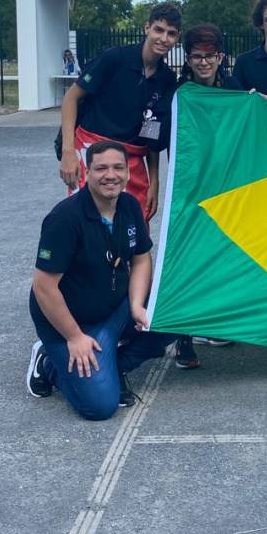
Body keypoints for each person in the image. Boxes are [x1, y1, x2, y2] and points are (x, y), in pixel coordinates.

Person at [27, 141, 176, 419]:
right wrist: (73, 336)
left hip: (113, 308)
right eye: (102, 168)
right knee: (98, 407)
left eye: (118, 167)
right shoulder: (65, 219)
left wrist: (135, 305)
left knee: (178, 306)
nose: (111, 175)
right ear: (87, 173)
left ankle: (114, 363)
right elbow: (43, 287)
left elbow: (142, 257)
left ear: (128, 174)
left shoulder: (130, 205)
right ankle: (48, 363)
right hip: (70, 322)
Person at [59, 3, 181, 221]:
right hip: (92, 148)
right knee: (88, 222)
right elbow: (71, 98)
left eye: (171, 34)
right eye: (159, 30)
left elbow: (152, 132)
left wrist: (155, 182)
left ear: (177, 38)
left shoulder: (167, 79)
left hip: (132, 157)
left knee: (133, 223)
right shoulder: (115, 58)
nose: (164, 38)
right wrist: (68, 152)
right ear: (147, 28)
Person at [172, 24, 241, 369]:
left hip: (223, 184)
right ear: (188, 58)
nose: (203, 62)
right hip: (187, 184)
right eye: (197, 56)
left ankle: (213, 322)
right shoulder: (179, 91)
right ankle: (183, 336)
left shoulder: (233, 89)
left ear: (220, 57)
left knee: (218, 254)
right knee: (184, 257)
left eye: (209, 56)